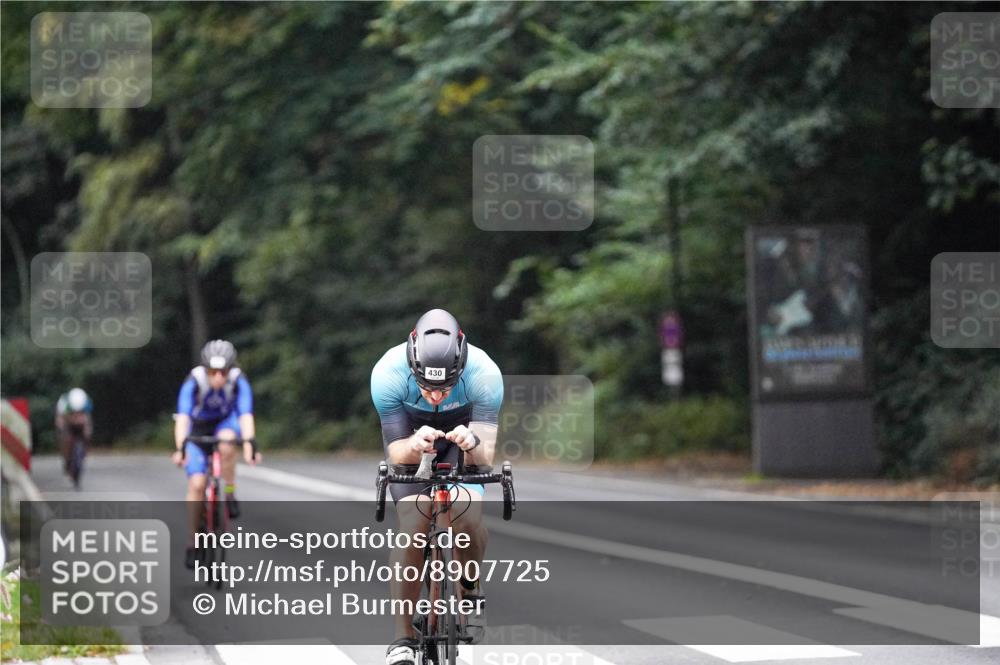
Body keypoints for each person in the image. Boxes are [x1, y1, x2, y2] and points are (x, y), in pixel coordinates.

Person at [371, 309, 503, 665]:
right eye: (426, 387)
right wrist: (414, 444)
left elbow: (485, 456)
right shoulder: (388, 373)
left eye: (444, 388)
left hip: (464, 441)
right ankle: (402, 638)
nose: (434, 396)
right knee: (412, 527)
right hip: (413, 440)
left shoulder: (484, 373)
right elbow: (397, 452)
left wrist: (472, 441)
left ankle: (470, 590)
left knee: (466, 519)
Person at [172, 339, 260, 568]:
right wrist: (181, 448)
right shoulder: (194, 381)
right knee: (197, 485)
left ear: (230, 369)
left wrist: (250, 446)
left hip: (224, 424)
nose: (219, 377)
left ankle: (229, 493)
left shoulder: (238, 380)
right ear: (205, 369)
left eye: (223, 371)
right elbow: (182, 417)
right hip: (198, 430)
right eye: (213, 371)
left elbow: (245, 414)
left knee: (228, 443)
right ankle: (193, 540)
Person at [54, 387, 92, 478]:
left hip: (81, 424)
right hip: (68, 424)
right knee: (66, 439)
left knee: (87, 436)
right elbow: (60, 418)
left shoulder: (86, 403)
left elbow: (88, 419)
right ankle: (66, 459)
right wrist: (61, 426)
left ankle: (84, 454)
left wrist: (87, 430)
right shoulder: (64, 403)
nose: (76, 413)